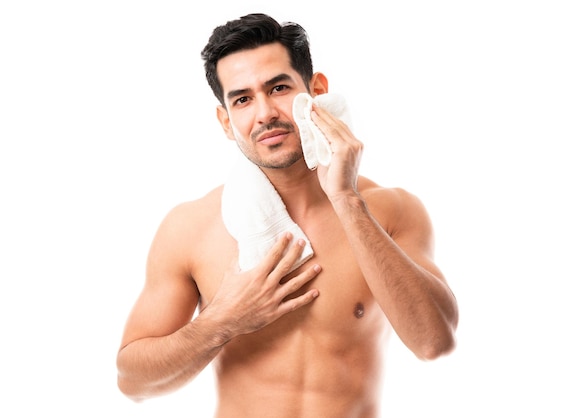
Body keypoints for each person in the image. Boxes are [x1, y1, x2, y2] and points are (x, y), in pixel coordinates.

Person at [116, 12, 459, 418]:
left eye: (278, 88)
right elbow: (133, 383)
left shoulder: (390, 209)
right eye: (242, 99)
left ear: (316, 90)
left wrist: (347, 200)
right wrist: (222, 322)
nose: (264, 114)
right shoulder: (191, 228)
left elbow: (434, 343)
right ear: (226, 121)